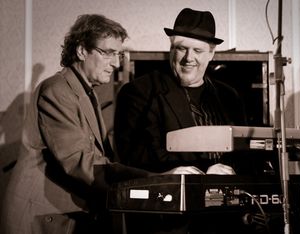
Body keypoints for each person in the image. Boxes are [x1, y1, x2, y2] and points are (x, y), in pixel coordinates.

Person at [0, 14, 204, 234]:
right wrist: (156, 180)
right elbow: (81, 162)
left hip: (65, 215)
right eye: (108, 53)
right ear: (81, 51)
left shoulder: (85, 91)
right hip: (42, 219)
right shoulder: (57, 90)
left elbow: (100, 160)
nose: (116, 63)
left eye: (118, 54)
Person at [114, 8, 267, 234]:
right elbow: (131, 156)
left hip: (226, 220)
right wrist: (205, 172)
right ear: (171, 49)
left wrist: (232, 172)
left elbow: (245, 154)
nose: (189, 58)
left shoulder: (229, 96)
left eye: (197, 50)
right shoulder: (139, 92)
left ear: (211, 53)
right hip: (169, 222)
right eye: (182, 49)